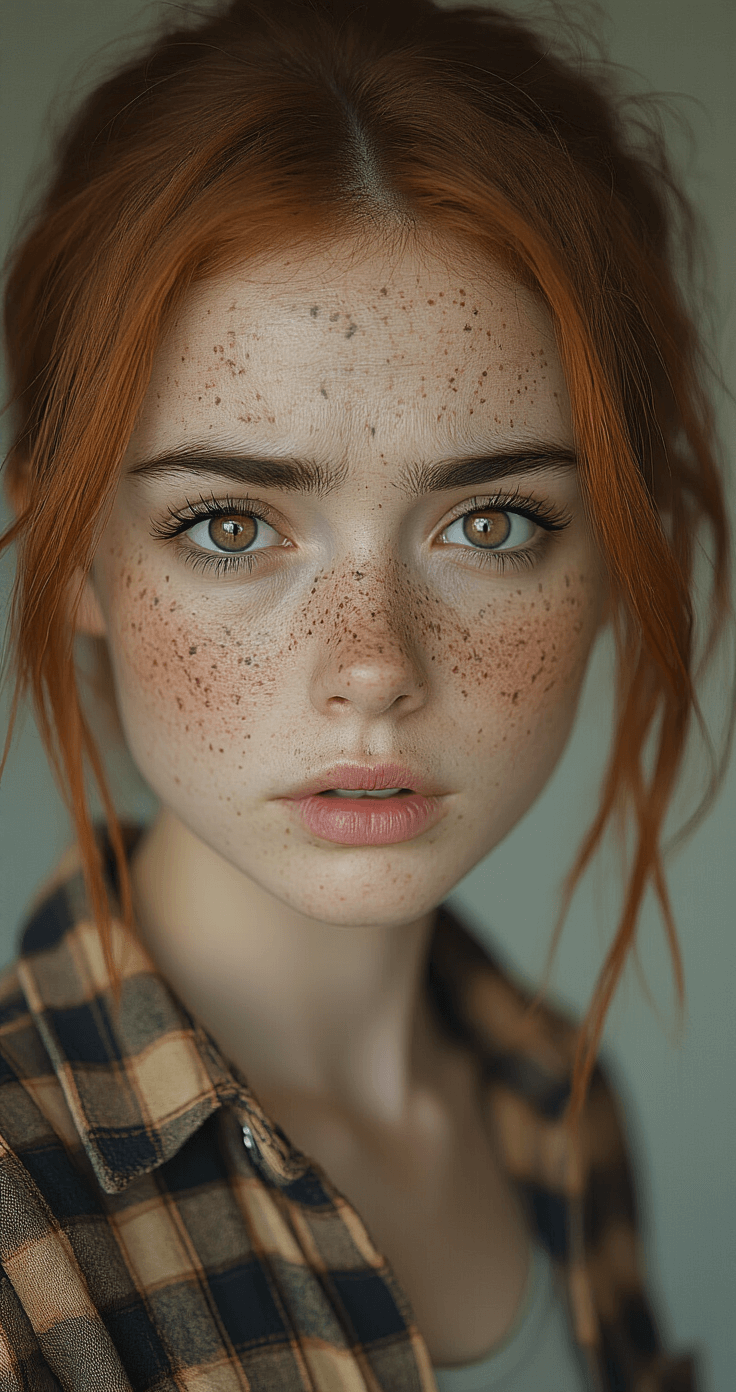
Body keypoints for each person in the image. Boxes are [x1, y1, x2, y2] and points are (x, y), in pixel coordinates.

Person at [0, 1, 731, 1388]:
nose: (373, 668)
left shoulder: (553, 1103)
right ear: (73, 554)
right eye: (229, 526)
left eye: (493, 523)